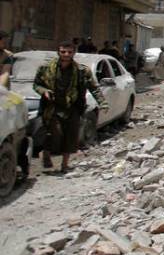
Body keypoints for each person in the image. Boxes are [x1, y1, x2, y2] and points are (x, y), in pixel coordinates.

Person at [33, 40, 108, 172]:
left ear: (74, 53)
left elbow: (94, 88)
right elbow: (36, 85)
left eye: (69, 52)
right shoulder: (45, 69)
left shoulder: (82, 71)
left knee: (71, 136)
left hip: (73, 107)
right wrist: (44, 91)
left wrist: (102, 102)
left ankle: (64, 165)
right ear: (58, 52)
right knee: (54, 134)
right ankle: (46, 153)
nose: (66, 54)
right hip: (52, 107)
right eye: (63, 52)